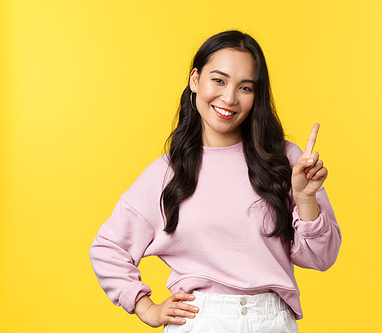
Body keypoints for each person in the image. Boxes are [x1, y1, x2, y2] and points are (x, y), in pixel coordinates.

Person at [89, 30, 341, 333]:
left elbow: (322, 258)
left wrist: (305, 199)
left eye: (245, 87)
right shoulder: (167, 174)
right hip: (201, 321)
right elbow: (107, 248)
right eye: (218, 80)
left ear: (255, 96)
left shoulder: (285, 160)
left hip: (271, 321)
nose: (229, 98)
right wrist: (146, 308)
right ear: (195, 80)